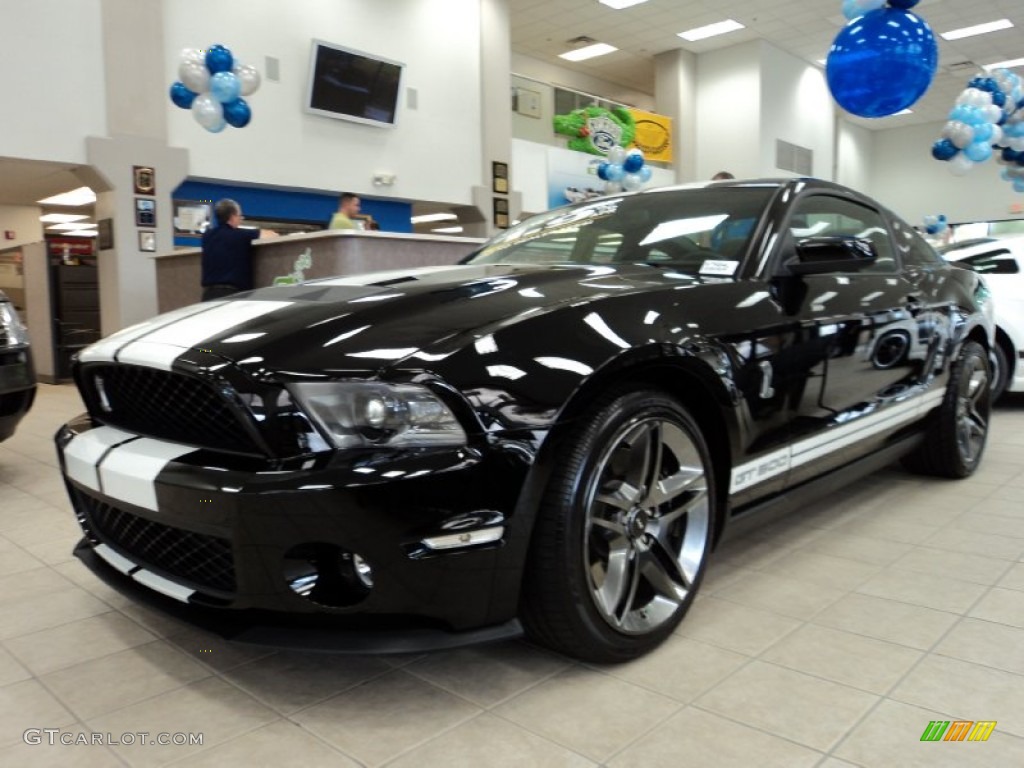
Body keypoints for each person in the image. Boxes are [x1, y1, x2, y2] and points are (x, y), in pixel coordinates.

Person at [200, 199, 278, 301]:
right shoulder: (241, 235)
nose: (241, 219)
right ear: (232, 216)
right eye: (239, 216)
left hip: (208, 295)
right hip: (231, 295)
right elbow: (272, 235)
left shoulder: (207, 236)